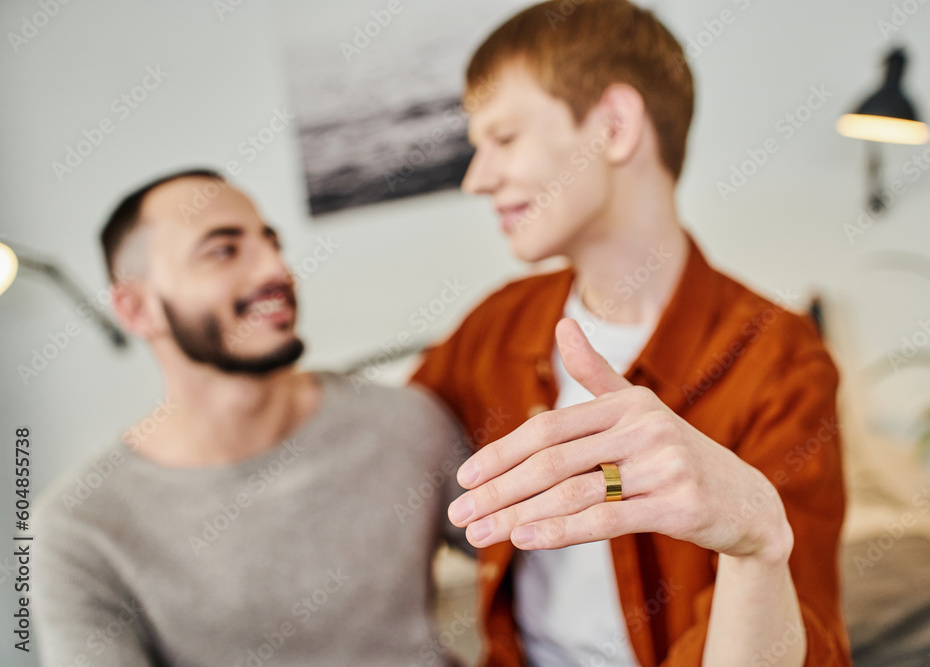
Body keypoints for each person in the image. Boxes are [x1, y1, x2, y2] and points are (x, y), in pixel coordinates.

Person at [410, 1, 851, 665]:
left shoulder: (781, 359)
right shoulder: (497, 323)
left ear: (614, 126)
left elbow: (808, 642)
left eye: (503, 139)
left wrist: (759, 543)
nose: (476, 178)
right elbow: (385, 443)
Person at [33, 169, 471, 667]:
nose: (275, 270)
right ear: (136, 310)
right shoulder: (79, 529)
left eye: (272, 243)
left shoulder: (406, 422)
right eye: (223, 251)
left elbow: (540, 563)